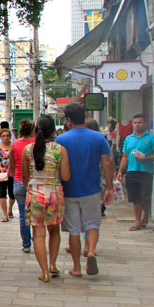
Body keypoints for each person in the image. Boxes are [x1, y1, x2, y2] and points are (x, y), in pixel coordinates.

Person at [56, 103, 114, 277]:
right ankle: (91, 252)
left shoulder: (62, 140)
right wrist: (110, 187)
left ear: (68, 120)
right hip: (92, 189)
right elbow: (106, 162)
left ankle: (76, 267)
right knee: (92, 223)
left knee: (73, 229)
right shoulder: (98, 138)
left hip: (69, 190)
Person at [22, 116, 70, 282]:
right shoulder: (60, 150)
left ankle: (44, 272)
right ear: (54, 131)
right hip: (55, 194)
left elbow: (25, 177)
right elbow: (66, 176)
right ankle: (53, 264)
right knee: (54, 230)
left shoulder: (27, 150)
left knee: (39, 234)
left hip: (35, 194)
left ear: (36, 130)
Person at [117, 114, 154, 231]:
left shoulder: (152, 138)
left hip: (146, 172)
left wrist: (146, 159)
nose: (137, 125)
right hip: (132, 171)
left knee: (145, 197)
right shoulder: (128, 139)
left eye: (140, 122)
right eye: (135, 123)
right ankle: (138, 221)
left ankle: (145, 216)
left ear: (145, 124)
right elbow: (125, 156)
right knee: (135, 198)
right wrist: (120, 171)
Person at [11, 119, 36, 253]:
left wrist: (16, 177)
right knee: (36, 213)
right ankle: (37, 239)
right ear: (33, 130)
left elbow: (12, 165)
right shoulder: (36, 143)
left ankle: (26, 244)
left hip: (19, 181)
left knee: (22, 214)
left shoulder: (15, 144)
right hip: (34, 181)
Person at [0, 128, 15, 222]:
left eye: (7, 136)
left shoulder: (14, 147)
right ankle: (5, 214)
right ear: (0, 137)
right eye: (3, 136)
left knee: (12, 194)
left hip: (12, 174)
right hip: (1, 174)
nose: (6, 138)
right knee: (2, 194)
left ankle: (10, 210)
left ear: (10, 137)